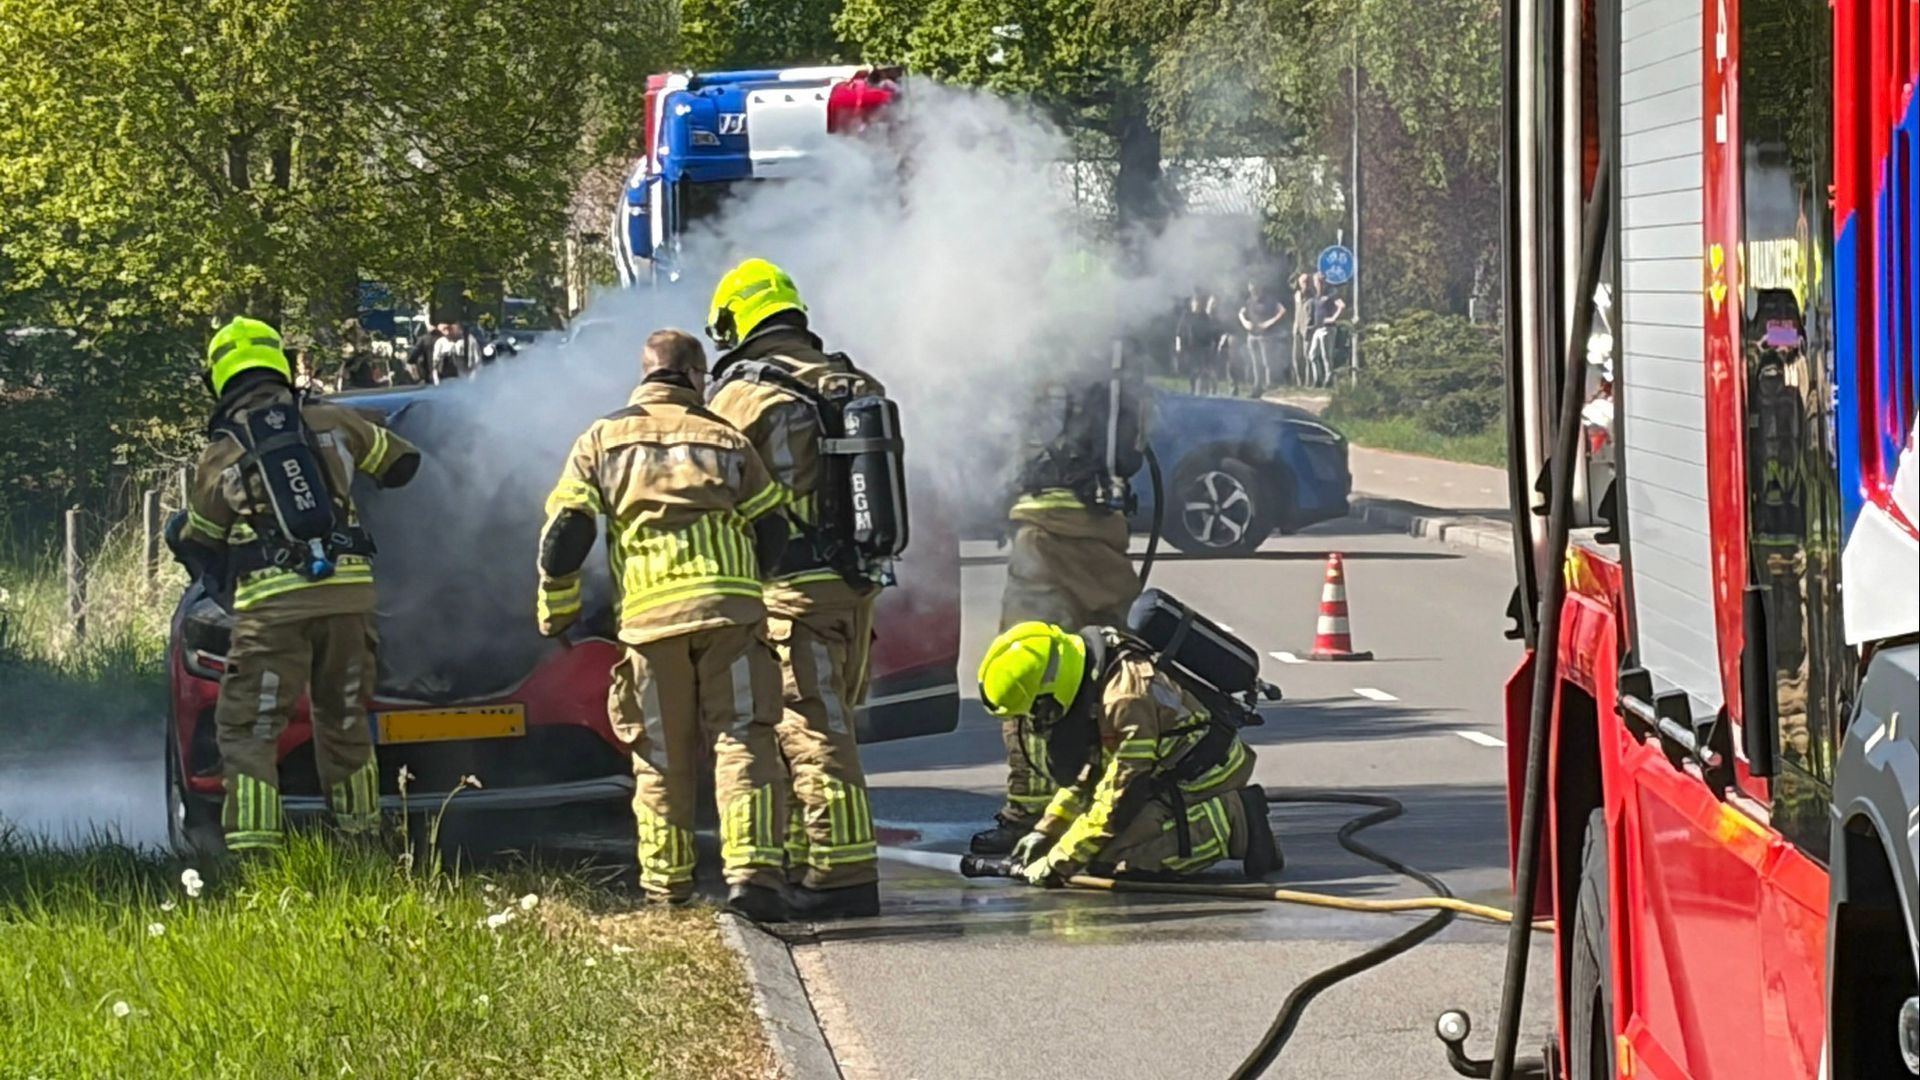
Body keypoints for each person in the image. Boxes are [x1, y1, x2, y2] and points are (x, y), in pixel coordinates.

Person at [535, 328, 792, 920]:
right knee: (742, 735)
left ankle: (667, 891)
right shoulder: (724, 437)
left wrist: (558, 609)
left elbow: (566, 534)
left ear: (646, 374)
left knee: (659, 754)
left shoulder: (600, 439)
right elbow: (772, 527)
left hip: (652, 619)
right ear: (697, 376)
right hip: (730, 612)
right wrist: (758, 585)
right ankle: (753, 875)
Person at [166, 317, 421, 854]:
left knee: (250, 730)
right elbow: (401, 465)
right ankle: (361, 849)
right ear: (278, 364)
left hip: (271, 612)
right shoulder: (332, 420)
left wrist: (183, 529)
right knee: (346, 720)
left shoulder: (223, 451)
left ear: (220, 379)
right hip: (351, 601)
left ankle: (257, 859)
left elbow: (203, 538)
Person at [704, 258, 887, 919]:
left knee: (810, 726)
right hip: (855, 583)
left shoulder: (745, 396)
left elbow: (710, 481)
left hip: (791, 589)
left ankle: (841, 878)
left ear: (735, 322)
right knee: (829, 717)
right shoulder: (851, 378)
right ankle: (803, 860)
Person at [972, 314, 1149, 856]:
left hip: (1044, 533)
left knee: (1025, 665)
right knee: (1113, 665)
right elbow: (1135, 451)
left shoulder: (1032, 365)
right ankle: (1112, 800)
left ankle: (1026, 811)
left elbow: (995, 438)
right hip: (1105, 530)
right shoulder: (1118, 368)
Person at [975, 621, 1281, 885]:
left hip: (1207, 772)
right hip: (1164, 770)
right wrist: (1047, 830)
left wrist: (1059, 861)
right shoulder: (1093, 674)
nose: (1038, 722)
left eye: (1037, 711)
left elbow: (1120, 797)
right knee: (1089, 847)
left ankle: (1238, 820)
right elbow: (1092, 773)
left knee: (1118, 860)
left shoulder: (1124, 700)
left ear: (1051, 686)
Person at [1238, 281, 1287, 396]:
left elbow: (1282, 310)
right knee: (1255, 362)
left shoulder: (1269, 300)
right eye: (1251, 289)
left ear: (1260, 288)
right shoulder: (1249, 301)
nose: (1253, 291)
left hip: (1266, 336)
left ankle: (1269, 385)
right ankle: (1257, 386)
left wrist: (1269, 323)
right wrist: (1245, 323)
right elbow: (1240, 313)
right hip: (1252, 336)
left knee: (1267, 362)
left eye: (1255, 288)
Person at [1173, 288, 1219, 396]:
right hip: (1191, 347)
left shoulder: (1205, 317)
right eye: (1195, 302)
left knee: (1205, 371)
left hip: (1204, 347)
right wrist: (1178, 345)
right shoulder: (1186, 316)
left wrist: (1213, 345)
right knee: (1193, 371)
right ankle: (1193, 390)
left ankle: (1210, 390)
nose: (1197, 304)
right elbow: (1179, 332)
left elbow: (1212, 333)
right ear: (1192, 303)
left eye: (1199, 302)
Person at [1306, 277, 1348, 388]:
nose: (1318, 284)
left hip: (1328, 329)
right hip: (1318, 329)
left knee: (1326, 356)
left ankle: (1328, 379)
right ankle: (1317, 379)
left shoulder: (1330, 294)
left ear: (1324, 282)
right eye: (1316, 281)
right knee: (1312, 355)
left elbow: (1342, 305)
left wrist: (1333, 318)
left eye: (1320, 281)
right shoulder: (1316, 297)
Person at [1289, 273, 1313, 386]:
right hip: (1297, 329)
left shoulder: (1313, 296)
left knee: (1307, 356)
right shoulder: (1297, 295)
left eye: (1307, 281)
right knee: (1296, 357)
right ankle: (1300, 382)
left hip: (1308, 328)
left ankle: (1309, 383)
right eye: (1303, 281)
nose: (1305, 284)